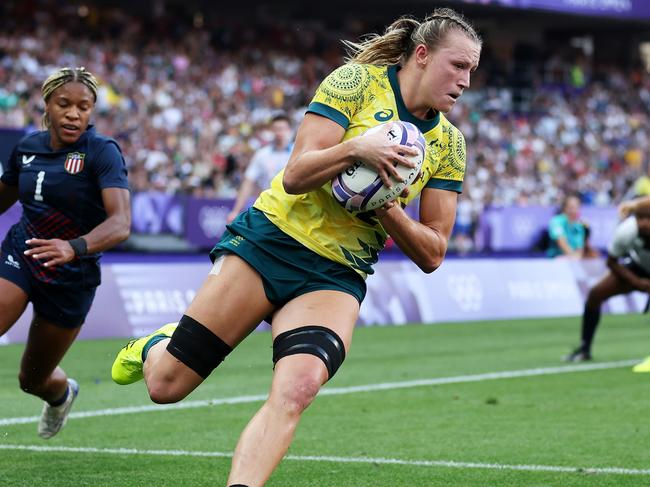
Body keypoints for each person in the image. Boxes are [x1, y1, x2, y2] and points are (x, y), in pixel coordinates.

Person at [111, 9, 480, 486]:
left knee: (299, 388)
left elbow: (433, 252)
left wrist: (385, 205)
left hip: (336, 274)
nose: (466, 80)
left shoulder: (450, 144)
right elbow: (296, 173)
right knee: (165, 386)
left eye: (472, 70)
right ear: (423, 55)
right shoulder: (355, 84)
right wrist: (356, 150)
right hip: (271, 240)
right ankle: (156, 346)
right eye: (458, 65)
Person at [0, 67, 131, 438]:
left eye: (84, 107)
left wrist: (73, 248)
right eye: (65, 104)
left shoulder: (101, 151)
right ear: (47, 105)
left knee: (32, 379)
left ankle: (61, 395)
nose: (74, 114)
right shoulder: (27, 148)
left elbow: (120, 223)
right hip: (22, 253)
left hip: (71, 277)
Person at [564, 206, 650, 364]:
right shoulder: (626, 231)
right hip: (638, 268)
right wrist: (636, 282)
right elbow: (612, 261)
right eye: (640, 219)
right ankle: (585, 349)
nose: (644, 223)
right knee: (595, 294)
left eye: (648, 219)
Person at [226, 114, 293, 223]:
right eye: (275, 129)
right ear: (271, 131)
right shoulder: (262, 154)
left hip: (292, 210)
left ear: (289, 130)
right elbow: (248, 182)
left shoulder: (296, 152)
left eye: (282, 129)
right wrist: (236, 210)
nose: (279, 133)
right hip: (267, 210)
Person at [547, 194, 599, 258]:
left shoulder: (579, 226)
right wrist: (574, 256)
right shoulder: (556, 221)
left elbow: (579, 249)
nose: (574, 211)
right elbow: (562, 243)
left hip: (573, 261)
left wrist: (578, 257)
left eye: (577, 207)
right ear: (564, 208)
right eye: (571, 207)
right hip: (557, 260)